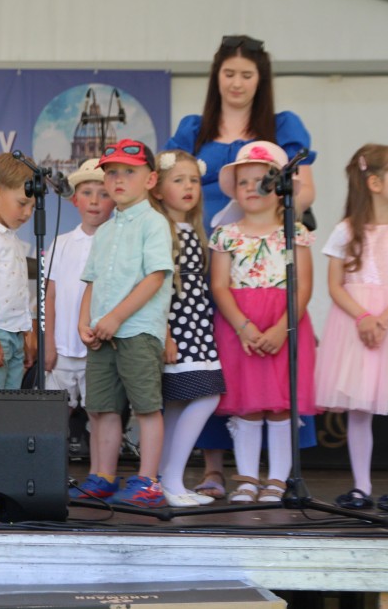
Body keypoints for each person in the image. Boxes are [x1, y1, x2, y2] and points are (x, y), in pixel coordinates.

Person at [164, 34, 317, 498]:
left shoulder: (283, 125)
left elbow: (305, 189)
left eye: (246, 75)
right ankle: (213, 468)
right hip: (200, 250)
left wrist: (263, 212)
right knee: (211, 354)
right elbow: (167, 178)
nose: (236, 82)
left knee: (265, 368)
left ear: (260, 79)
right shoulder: (194, 128)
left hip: (261, 252)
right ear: (216, 77)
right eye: (228, 73)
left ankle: (274, 475)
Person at [315, 144, 388, 520]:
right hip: (355, 326)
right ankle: (361, 486)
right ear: (375, 183)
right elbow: (335, 285)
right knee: (359, 408)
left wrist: (382, 320)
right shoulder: (345, 231)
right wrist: (364, 317)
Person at [209, 141, 317, 505]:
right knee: (248, 403)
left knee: (280, 403)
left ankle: (278, 479)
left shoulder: (295, 232)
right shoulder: (226, 234)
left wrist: (281, 329)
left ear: (279, 186)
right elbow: (219, 285)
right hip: (240, 327)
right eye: (243, 182)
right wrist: (244, 327)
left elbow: (303, 286)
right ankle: (247, 479)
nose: (251, 188)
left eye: (261, 181)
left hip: (283, 324)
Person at [78, 139, 174, 508]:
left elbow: (155, 277)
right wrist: (85, 322)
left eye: (129, 173)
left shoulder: (154, 223)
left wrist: (116, 317)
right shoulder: (104, 231)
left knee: (146, 406)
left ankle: (148, 481)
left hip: (136, 330)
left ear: (150, 179)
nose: (118, 180)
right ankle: (102, 476)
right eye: (112, 173)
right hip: (102, 333)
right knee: (101, 407)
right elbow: (92, 281)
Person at [148, 149, 225, 507]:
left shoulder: (192, 229)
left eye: (193, 180)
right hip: (177, 325)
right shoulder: (161, 229)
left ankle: (166, 478)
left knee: (179, 402)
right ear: (158, 189)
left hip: (196, 324)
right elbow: (159, 285)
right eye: (178, 180)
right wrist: (165, 334)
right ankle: (173, 478)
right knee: (208, 393)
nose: (189, 187)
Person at [45, 159, 115, 489]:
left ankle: (100, 476)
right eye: (87, 193)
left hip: (98, 348)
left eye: (103, 193)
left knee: (100, 412)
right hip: (62, 347)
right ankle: (48, 475)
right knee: (54, 412)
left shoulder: (116, 243)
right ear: (74, 199)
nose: (95, 201)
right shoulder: (61, 243)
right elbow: (50, 295)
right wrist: (48, 342)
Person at [0, 152, 37, 390]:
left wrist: (26, 331)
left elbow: (18, 290)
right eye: (22, 204)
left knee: (13, 400)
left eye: (32, 207)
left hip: (16, 332)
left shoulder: (11, 237)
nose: (28, 213)